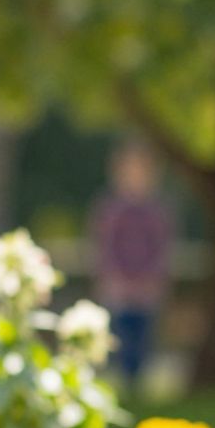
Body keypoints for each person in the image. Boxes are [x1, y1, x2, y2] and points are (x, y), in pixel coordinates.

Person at [87, 142, 175, 386]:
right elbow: (105, 248)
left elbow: (161, 249)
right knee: (119, 337)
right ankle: (122, 380)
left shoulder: (157, 211)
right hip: (118, 286)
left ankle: (137, 381)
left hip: (146, 288)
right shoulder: (110, 209)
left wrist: (153, 279)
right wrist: (111, 277)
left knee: (143, 339)